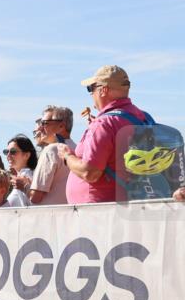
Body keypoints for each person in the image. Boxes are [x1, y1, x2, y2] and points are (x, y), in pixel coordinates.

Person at [60, 65, 149, 204]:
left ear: (103, 90)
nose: (91, 93)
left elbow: (90, 173)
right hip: (131, 205)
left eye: (91, 88)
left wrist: (67, 156)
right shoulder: (141, 117)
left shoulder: (104, 124)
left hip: (101, 214)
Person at [28, 105, 77, 205]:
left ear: (61, 126)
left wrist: (24, 186)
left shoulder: (51, 150)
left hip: (50, 216)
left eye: (44, 123)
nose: (40, 128)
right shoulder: (78, 148)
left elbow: (36, 197)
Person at [3, 134, 37, 202]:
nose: (8, 155)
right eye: (6, 152)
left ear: (26, 155)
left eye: (13, 152)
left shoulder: (26, 177)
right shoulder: (25, 175)